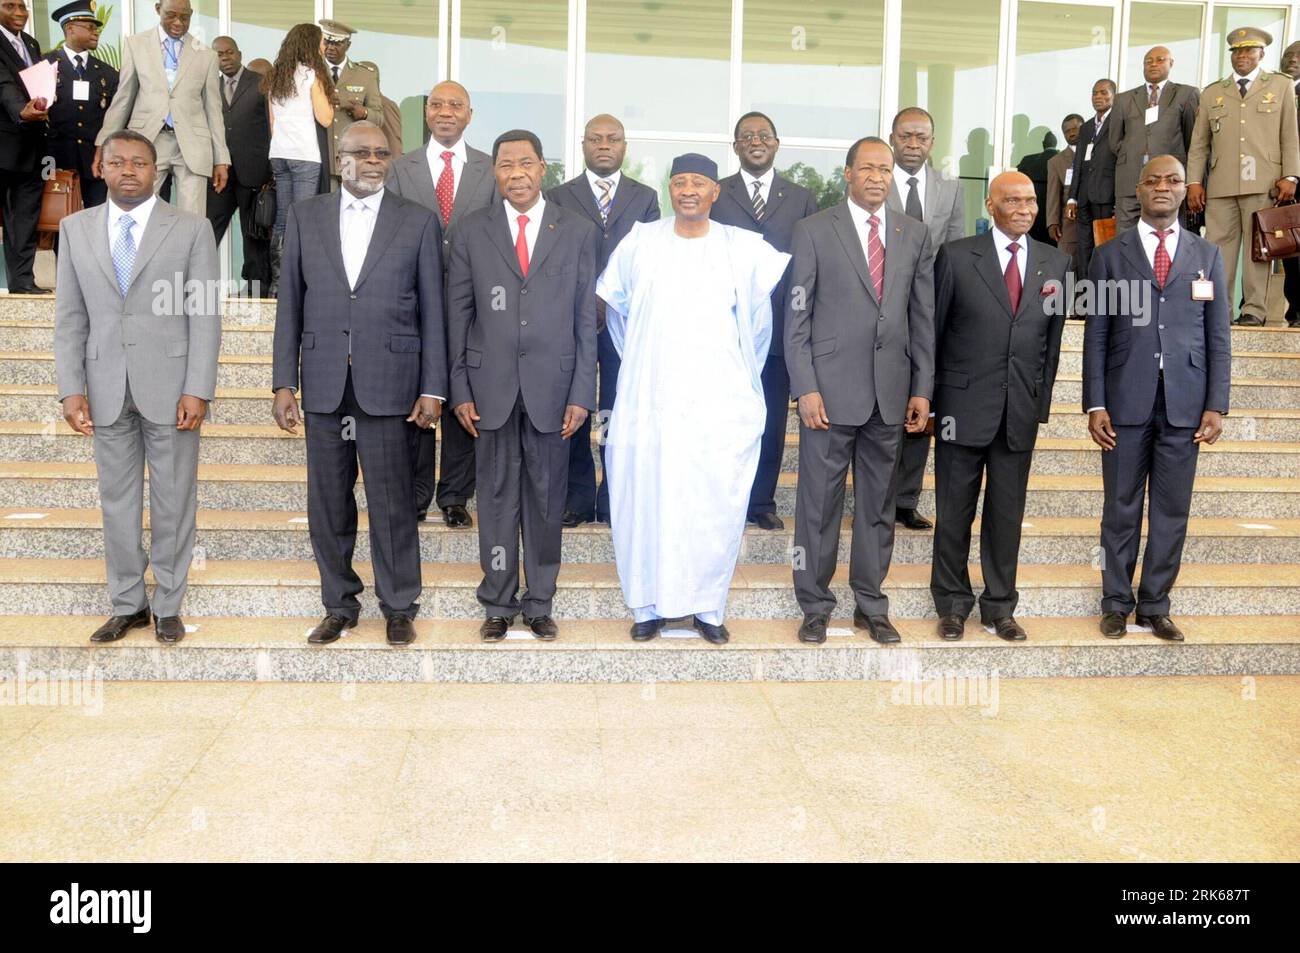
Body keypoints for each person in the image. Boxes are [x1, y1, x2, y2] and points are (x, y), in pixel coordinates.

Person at [597, 154, 790, 644]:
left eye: (698, 182)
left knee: (712, 499)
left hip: (718, 398)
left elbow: (759, 328)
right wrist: (647, 365)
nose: (688, 190)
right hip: (651, 396)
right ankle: (646, 605)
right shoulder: (641, 242)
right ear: (669, 189)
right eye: (679, 181)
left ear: (714, 192)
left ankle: (708, 606)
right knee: (646, 494)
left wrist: (737, 383)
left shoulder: (742, 249)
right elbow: (618, 315)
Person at [272, 121, 445, 647]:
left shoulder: (416, 221)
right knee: (328, 501)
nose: (371, 161)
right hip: (325, 383)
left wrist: (433, 387)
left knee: (392, 502)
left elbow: (433, 312)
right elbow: (290, 307)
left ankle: (398, 605)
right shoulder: (306, 217)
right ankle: (339, 603)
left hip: (391, 385)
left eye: (380, 153)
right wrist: (284, 381)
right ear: (337, 157)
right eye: (360, 152)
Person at [53, 129, 220, 644]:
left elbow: (205, 313)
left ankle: (169, 604)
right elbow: (69, 316)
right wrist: (70, 388)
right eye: (117, 161)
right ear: (99, 167)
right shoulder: (74, 228)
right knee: (117, 501)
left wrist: (198, 387)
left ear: (156, 171)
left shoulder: (192, 229)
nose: (129, 170)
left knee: (173, 499)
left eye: (140, 163)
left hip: (172, 389)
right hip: (104, 386)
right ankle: (128, 603)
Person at [447, 130, 598, 642]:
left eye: (526, 164)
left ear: (543, 169)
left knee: (546, 499)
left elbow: (584, 320)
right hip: (489, 389)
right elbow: (458, 314)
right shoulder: (472, 230)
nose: (517, 174)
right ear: (495, 172)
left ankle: (539, 602)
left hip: (553, 392)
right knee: (494, 499)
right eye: (506, 165)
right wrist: (460, 389)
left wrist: (582, 393)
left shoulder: (576, 230)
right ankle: (498, 601)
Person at [786, 137, 934, 645]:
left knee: (877, 507)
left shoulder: (913, 233)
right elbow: (797, 316)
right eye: (867, 168)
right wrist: (804, 387)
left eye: (885, 169)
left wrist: (923, 388)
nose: (877, 177)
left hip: (890, 395)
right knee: (818, 507)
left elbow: (922, 316)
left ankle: (871, 604)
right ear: (847, 173)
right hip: (827, 395)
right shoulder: (812, 230)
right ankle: (815, 604)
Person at [1083, 155, 1231, 642]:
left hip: (1186, 404)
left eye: (1173, 181)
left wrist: (1217, 403)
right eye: (1154, 181)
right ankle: (1114, 601)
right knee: (1119, 508)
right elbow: (1097, 337)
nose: (1163, 188)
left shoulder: (1207, 256)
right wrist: (1095, 402)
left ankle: (1155, 604)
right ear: (1139, 190)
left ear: (1185, 190)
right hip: (1125, 401)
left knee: (1172, 510)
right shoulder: (1109, 255)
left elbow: (1218, 337)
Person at [929, 171, 1070, 642]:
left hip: (1018, 412)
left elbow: (1051, 344)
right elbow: (933, 334)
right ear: (991, 205)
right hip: (960, 407)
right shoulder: (956, 256)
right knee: (954, 512)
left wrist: (1040, 405)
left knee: (1006, 515)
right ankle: (951, 604)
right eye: (1013, 200)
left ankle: (999, 607)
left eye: (1031, 200)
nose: (1026, 209)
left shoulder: (1056, 263)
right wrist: (929, 402)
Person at [388, 80, 496, 529]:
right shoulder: (399, 168)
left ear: (470, 114)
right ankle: (415, 495)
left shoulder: (491, 170)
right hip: (413, 302)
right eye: (437, 104)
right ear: (426, 114)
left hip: (474, 306)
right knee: (417, 398)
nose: (446, 111)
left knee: (463, 401)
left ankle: (454, 495)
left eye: (456, 104)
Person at [548, 114, 660, 528]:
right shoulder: (558, 194)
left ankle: (614, 496)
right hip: (569, 318)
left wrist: (611, 297)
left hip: (622, 322)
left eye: (613, 139)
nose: (604, 145)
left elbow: (649, 259)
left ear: (624, 146)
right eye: (596, 139)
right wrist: (585, 296)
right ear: (583, 145)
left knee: (618, 411)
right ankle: (577, 497)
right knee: (573, 408)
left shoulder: (645, 198)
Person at [708, 111, 818, 532]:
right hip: (726, 329)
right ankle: (724, 498)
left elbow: (807, 266)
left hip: (779, 330)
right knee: (724, 418)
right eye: (746, 136)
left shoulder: (802, 197)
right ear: (735, 146)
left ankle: (761, 501)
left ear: (776, 144)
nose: (756, 140)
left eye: (764, 135)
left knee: (770, 418)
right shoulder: (718, 193)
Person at [886, 106, 965, 532]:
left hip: (930, 314)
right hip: (881, 311)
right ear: (893, 138)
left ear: (932, 142)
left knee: (922, 400)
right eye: (905, 136)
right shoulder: (877, 182)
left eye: (921, 137)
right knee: (881, 404)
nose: (913, 145)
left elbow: (953, 254)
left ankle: (905, 500)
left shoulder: (949, 189)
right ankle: (876, 498)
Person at [1189, 27, 1300, 327]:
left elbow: (1290, 134)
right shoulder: (1213, 92)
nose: (1242, 56)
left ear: (1261, 54)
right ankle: (1216, 312)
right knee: (1216, 250)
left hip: (1264, 182)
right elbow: (1199, 144)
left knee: (1258, 250)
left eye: (1249, 50)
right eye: (1237, 51)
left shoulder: (1280, 85)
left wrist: (1290, 175)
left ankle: (1254, 310)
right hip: (1221, 185)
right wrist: (1194, 182)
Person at [94, 0, 230, 216]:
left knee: (192, 220)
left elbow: (213, 110)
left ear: (191, 14)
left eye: (185, 17)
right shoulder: (136, 44)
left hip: (193, 145)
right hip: (147, 140)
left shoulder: (207, 55)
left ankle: (186, 252)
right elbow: (123, 98)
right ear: (158, 10)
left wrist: (221, 158)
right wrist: (104, 143)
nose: (178, 22)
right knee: (135, 211)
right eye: (171, 15)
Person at [265, 23, 334, 295]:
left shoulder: (275, 77)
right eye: (320, 43)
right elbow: (325, 118)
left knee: (283, 218)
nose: (323, 47)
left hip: (280, 154)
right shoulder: (311, 76)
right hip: (305, 156)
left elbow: (272, 124)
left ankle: (278, 285)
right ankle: (300, 285)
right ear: (310, 45)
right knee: (304, 218)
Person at [205, 35, 271, 294]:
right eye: (219, 54)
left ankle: (256, 290)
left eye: (229, 52)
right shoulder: (209, 86)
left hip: (254, 171)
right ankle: (197, 286)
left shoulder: (261, 83)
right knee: (209, 228)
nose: (225, 58)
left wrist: (271, 170)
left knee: (252, 234)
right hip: (220, 172)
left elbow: (272, 126)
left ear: (239, 54)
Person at [1109, 46, 1200, 232]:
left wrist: (1190, 181)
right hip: (1130, 181)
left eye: (1160, 60)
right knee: (1126, 240)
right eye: (1148, 61)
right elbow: (1115, 142)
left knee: (1167, 237)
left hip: (1169, 182)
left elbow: (1193, 141)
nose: (1153, 64)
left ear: (1171, 63)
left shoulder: (1186, 94)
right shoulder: (1123, 99)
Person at [45, 1, 118, 210]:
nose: (96, 32)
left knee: (97, 217)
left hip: (94, 160)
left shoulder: (107, 73)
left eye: (97, 28)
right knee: (58, 218)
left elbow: (114, 117)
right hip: (54, 158)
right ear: (70, 28)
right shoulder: (46, 65)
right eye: (90, 27)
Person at [0, 0, 51, 293]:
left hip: (32, 147)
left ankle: (22, 283)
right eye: (10, 6)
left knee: (25, 218)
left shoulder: (30, 43)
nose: (20, 12)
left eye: (23, 6)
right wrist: (21, 110)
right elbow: (4, 85)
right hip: (4, 142)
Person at [318, 19, 383, 190]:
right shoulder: (313, 72)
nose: (331, 47)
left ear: (348, 45)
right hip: (320, 154)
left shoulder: (365, 75)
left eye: (337, 43)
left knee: (351, 205)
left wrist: (363, 113)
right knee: (323, 209)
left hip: (350, 156)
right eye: (327, 41)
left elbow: (379, 118)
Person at [1066, 78, 1117, 280]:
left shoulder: (1119, 123)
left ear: (1114, 96)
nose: (1098, 97)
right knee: (1084, 249)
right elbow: (1078, 162)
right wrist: (1072, 198)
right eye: (1095, 93)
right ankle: (1085, 302)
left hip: (1107, 197)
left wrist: (1120, 199)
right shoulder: (1086, 127)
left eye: (1104, 93)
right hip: (1084, 199)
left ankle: (1103, 303)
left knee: (1103, 250)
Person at [1047, 114, 1082, 282]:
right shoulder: (1056, 161)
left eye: (1075, 128)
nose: (1072, 133)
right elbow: (1053, 194)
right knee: (1065, 273)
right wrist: (1052, 222)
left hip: (1095, 223)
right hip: (1068, 227)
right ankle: (1064, 308)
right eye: (1067, 131)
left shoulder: (1098, 152)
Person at [1280, 40, 1300, 327]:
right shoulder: (1275, 90)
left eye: (1298, 56)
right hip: (1283, 184)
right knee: (1286, 249)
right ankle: (1294, 309)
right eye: (1288, 55)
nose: (1293, 59)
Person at [1016, 130, 1058, 245]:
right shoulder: (1062, 159)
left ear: (1043, 143)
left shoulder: (1027, 160)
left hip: (1032, 213)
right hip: (1054, 216)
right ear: (1056, 143)